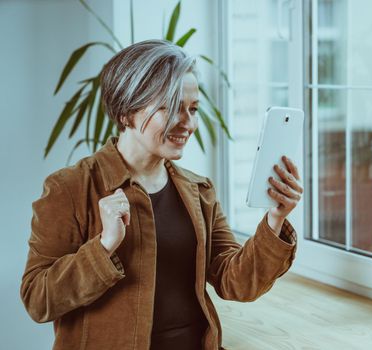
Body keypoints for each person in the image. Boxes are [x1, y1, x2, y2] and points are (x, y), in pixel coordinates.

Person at [20, 39, 302, 350]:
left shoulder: (199, 191)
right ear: (127, 112)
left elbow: (236, 282)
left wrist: (275, 219)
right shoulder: (69, 188)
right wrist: (103, 247)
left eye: (193, 109)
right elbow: (37, 300)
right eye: (170, 107)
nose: (189, 123)